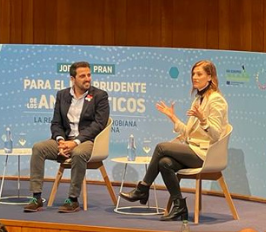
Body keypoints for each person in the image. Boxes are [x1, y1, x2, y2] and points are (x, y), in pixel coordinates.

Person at [119, 59, 229, 221]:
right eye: (193, 74)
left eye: (199, 74)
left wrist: (203, 120)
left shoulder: (216, 100)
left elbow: (216, 135)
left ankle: (142, 188)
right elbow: (188, 134)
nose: (194, 77)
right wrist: (173, 117)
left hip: (207, 154)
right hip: (194, 150)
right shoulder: (198, 100)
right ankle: (179, 206)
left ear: (210, 77)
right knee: (165, 163)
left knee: (161, 147)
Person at [24, 61, 110, 213]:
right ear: (72, 79)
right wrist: (61, 141)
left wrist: (75, 142)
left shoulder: (100, 96)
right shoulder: (62, 95)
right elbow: (56, 123)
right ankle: (36, 197)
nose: (87, 79)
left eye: (89, 75)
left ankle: (73, 199)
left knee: (78, 152)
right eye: (82, 76)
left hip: (87, 142)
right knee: (38, 148)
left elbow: (98, 125)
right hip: (65, 141)